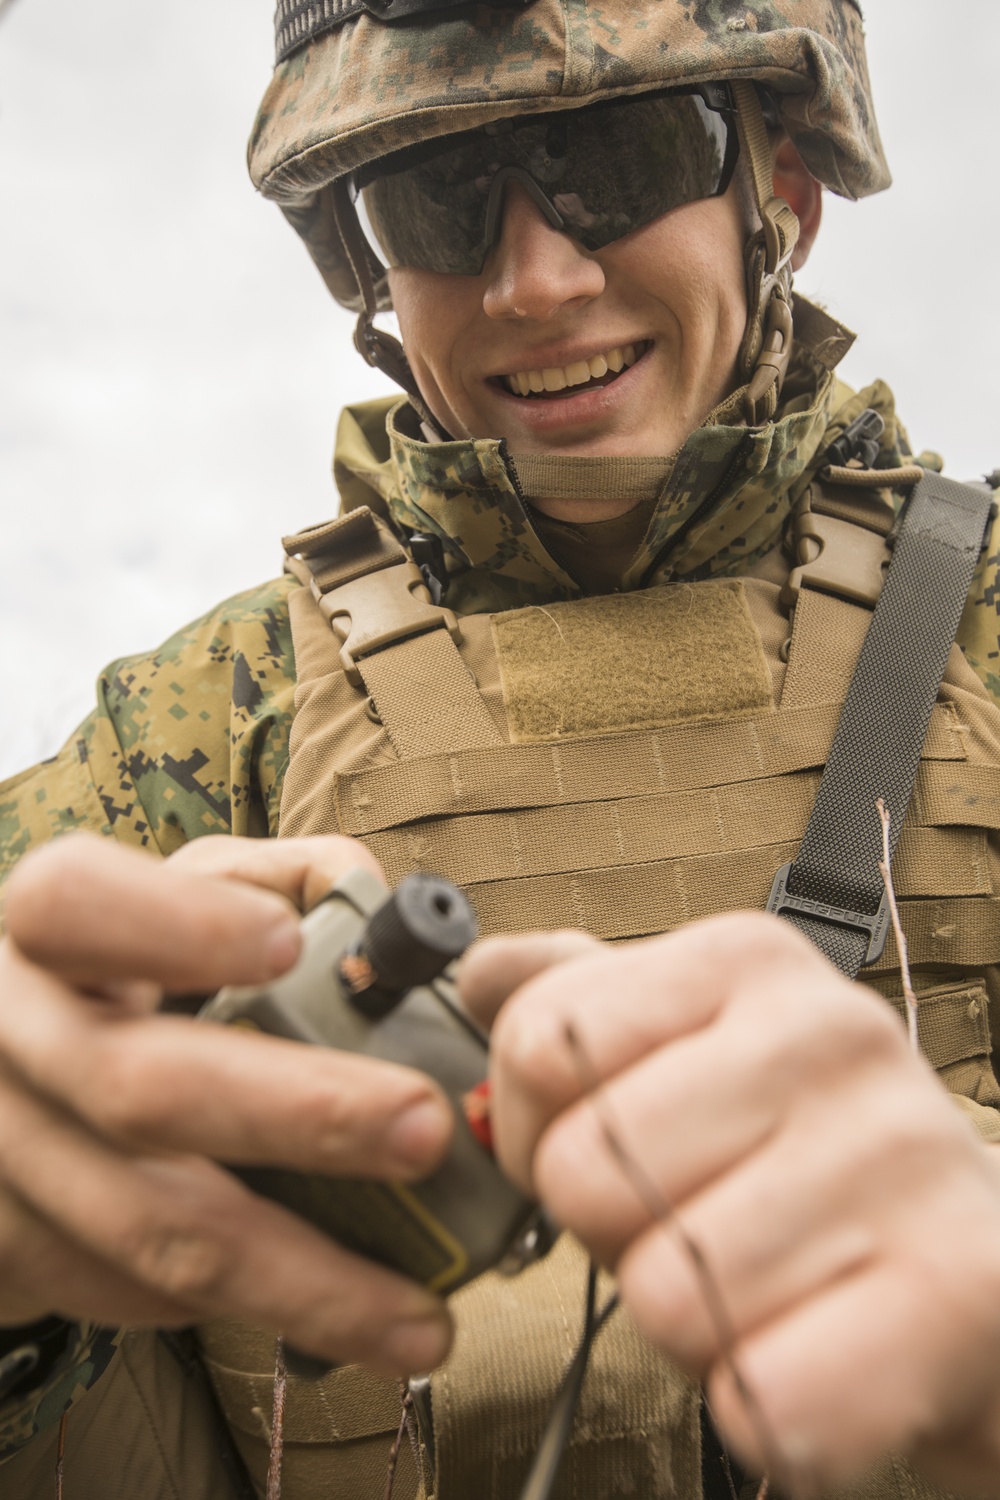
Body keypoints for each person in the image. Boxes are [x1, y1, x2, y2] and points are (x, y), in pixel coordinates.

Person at [2, 2, 1000, 1497]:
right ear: (370, 264)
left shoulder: (980, 637)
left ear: (777, 197)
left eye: (622, 151)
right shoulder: (197, 732)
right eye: (437, 193)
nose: (536, 280)